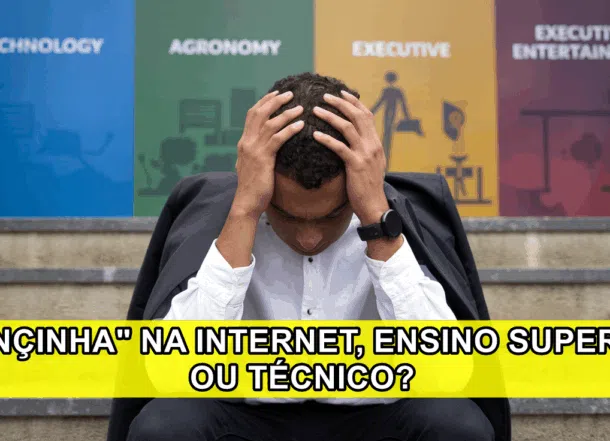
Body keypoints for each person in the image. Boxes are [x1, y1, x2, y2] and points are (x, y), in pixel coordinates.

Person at [107, 72, 510, 441]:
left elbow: (447, 375)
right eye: (286, 214)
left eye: (332, 215)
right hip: (245, 419)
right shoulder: (222, 214)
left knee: (459, 426)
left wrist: (376, 219)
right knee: (163, 427)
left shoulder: (396, 213)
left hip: (375, 419)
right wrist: (244, 212)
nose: (309, 238)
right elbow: (170, 375)